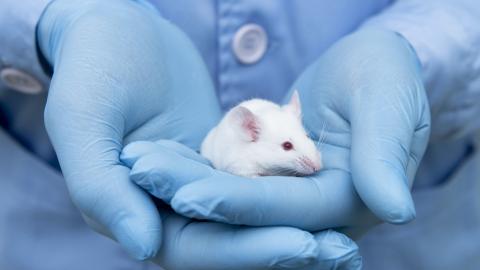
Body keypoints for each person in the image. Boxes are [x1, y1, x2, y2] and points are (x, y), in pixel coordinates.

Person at [1, 0, 479, 269]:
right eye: (291, 147)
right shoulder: (243, 140)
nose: (309, 159)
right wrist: (57, 17)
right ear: (250, 133)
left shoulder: (284, 134)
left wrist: (419, 49)